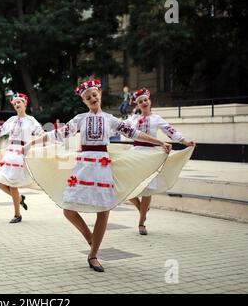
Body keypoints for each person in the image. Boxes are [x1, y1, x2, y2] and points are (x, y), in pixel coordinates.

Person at [25, 79, 171, 272]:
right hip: (83, 165)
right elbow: (57, 134)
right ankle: (90, 238)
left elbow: (133, 133)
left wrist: (159, 142)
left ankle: (93, 254)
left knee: (103, 210)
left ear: (99, 94)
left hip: (102, 165)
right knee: (68, 209)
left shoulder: (111, 119)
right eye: (88, 97)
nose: (92, 98)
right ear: (84, 101)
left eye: (94, 95)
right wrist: (31, 143)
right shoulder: (80, 119)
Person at [127, 88, 195, 235]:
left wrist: (185, 141)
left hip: (151, 155)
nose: (143, 103)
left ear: (149, 101)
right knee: (127, 185)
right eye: (140, 101)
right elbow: (118, 128)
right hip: (135, 154)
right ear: (137, 105)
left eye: (145, 100)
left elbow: (171, 131)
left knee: (147, 189)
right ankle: (141, 208)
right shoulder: (132, 119)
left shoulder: (156, 119)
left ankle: (141, 223)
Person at [0, 93, 44, 223]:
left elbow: (42, 134)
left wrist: (51, 140)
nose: (17, 105)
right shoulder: (11, 120)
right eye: (15, 103)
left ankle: (17, 215)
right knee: (0, 183)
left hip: (21, 154)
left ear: (25, 104)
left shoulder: (31, 120)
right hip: (9, 153)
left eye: (19, 102)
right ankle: (20, 199)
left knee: (12, 185)